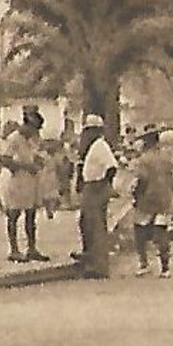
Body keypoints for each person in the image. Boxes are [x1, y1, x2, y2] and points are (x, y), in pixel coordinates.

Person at [0, 114, 47, 262]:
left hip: (29, 182)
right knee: (14, 214)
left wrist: (37, 162)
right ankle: (14, 250)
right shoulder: (14, 138)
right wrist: (25, 166)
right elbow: (4, 159)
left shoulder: (31, 140)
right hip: (15, 181)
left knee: (31, 215)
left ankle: (32, 248)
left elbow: (33, 155)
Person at [73, 114, 118, 277]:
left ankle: (99, 266)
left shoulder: (100, 145)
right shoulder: (90, 147)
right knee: (86, 223)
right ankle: (90, 257)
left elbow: (112, 167)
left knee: (96, 226)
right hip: (90, 186)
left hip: (97, 186)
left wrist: (104, 184)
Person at [131, 129, 173, 278]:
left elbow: (141, 180)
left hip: (147, 199)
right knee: (161, 231)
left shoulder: (143, 160)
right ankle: (165, 268)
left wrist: (136, 196)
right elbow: (172, 178)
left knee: (139, 230)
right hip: (165, 198)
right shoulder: (167, 157)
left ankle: (144, 263)